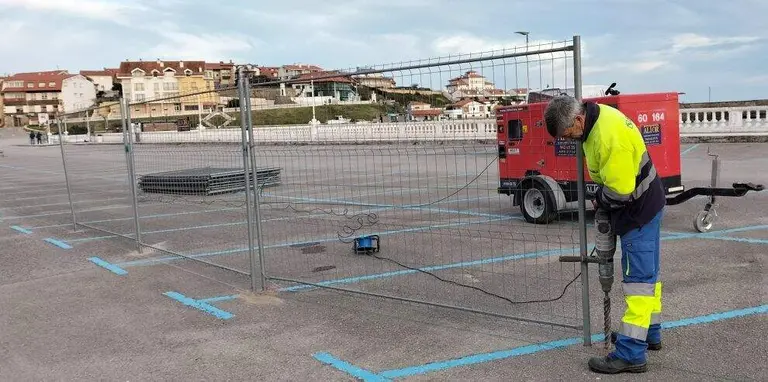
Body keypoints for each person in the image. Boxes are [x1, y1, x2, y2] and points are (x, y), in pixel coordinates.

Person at [543, 95, 666, 374]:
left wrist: (599, 200)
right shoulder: (594, 122)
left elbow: (620, 192)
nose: (569, 140)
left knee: (639, 282)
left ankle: (631, 354)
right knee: (648, 278)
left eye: (568, 134)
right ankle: (649, 333)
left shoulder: (609, 136)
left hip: (638, 212)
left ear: (577, 119)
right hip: (644, 204)